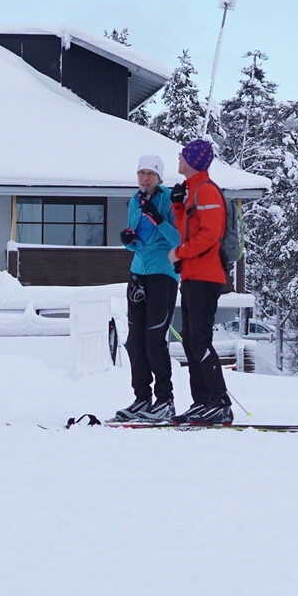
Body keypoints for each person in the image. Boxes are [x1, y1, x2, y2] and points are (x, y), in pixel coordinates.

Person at [169, 138, 232, 425]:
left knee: (199, 339)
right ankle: (202, 401)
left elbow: (210, 235)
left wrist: (180, 253)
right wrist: (178, 207)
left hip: (206, 276)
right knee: (192, 340)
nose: (178, 160)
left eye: (182, 156)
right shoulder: (194, 190)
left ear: (193, 161)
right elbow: (187, 228)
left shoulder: (206, 190)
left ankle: (219, 401)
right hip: (193, 275)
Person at [114, 154, 181, 422]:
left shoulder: (167, 199)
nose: (145, 178)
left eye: (150, 174)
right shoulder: (134, 200)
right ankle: (142, 398)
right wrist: (127, 240)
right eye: (141, 173)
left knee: (155, 338)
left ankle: (165, 399)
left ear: (159, 177)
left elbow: (178, 238)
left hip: (162, 272)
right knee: (135, 340)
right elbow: (136, 238)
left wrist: (158, 218)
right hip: (138, 272)